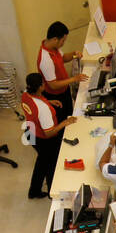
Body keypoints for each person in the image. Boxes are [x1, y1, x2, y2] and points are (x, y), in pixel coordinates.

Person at [21, 72, 76, 200]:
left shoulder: (26, 93)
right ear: (40, 87)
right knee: (51, 165)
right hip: (44, 139)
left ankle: (34, 191)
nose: (45, 84)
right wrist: (65, 123)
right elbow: (49, 132)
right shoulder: (42, 109)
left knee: (41, 162)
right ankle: (52, 192)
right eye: (43, 83)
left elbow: (36, 103)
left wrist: (49, 102)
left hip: (31, 132)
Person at [37, 20, 87, 120]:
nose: (63, 43)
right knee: (64, 120)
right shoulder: (46, 59)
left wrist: (74, 54)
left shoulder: (53, 47)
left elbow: (63, 58)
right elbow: (53, 85)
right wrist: (74, 79)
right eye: (63, 41)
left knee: (70, 114)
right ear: (55, 39)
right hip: (56, 96)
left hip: (64, 89)